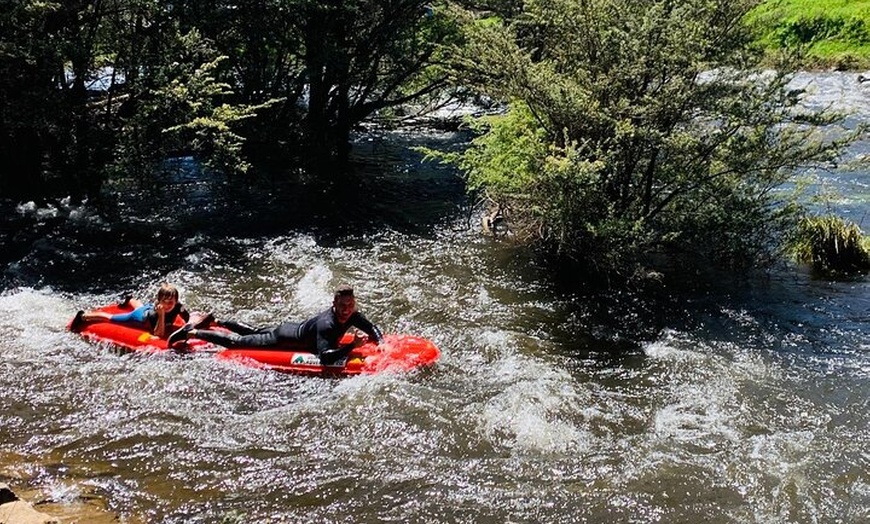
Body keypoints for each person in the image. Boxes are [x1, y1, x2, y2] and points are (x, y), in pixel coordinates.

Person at [168, 285, 384, 364]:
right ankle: (193, 331)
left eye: (350, 305)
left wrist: (380, 341)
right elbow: (325, 357)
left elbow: (371, 327)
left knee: (253, 330)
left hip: (289, 326)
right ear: (334, 304)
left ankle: (215, 321)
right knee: (238, 342)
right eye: (343, 305)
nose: (347, 310)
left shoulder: (353, 314)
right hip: (282, 338)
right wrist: (351, 347)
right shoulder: (327, 325)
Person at [71, 283, 191, 339]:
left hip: (146, 308)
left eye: (172, 301)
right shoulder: (156, 314)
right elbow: (158, 334)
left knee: (141, 306)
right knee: (110, 318)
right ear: (159, 301)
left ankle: (130, 299)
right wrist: (161, 315)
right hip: (139, 317)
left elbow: (188, 319)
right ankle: (83, 316)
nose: (169, 304)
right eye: (165, 301)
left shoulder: (177, 306)